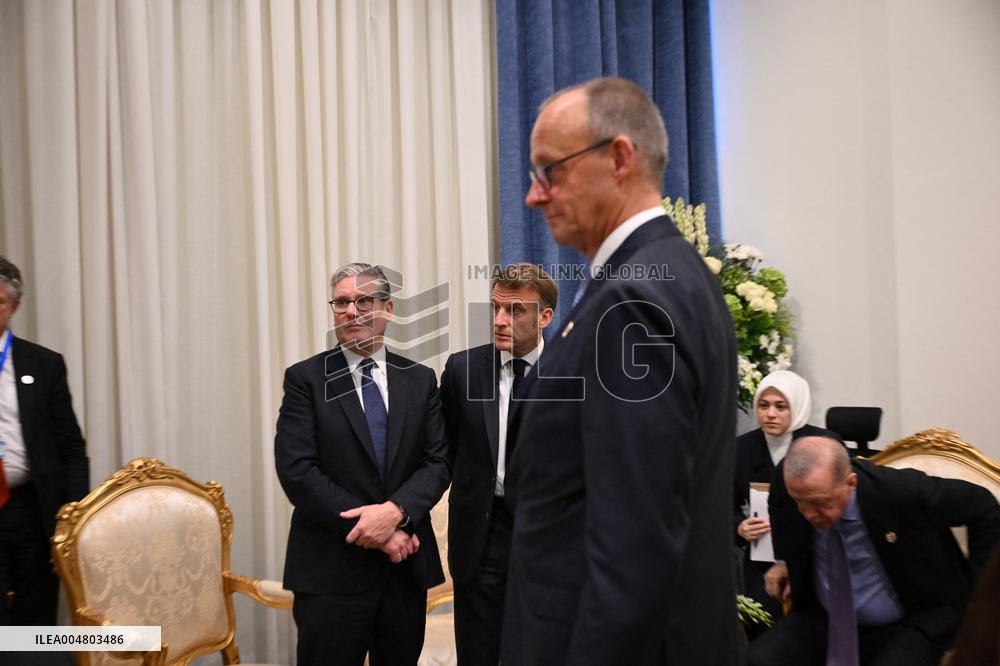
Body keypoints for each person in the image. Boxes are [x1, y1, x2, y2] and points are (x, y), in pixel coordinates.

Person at [501, 77, 739, 665]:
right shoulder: (668, 273)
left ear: (619, 158)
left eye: (549, 171)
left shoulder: (633, 301)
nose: (534, 196)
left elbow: (634, 547)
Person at [274, 262, 450, 666]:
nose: (351, 312)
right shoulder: (306, 379)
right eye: (341, 303)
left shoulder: (420, 379)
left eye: (364, 301)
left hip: (403, 569)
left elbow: (438, 462)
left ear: (387, 308)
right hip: (331, 571)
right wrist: (378, 531)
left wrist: (396, 512)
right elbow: (297, 470)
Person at [750, 436, 1000, 666]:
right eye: (799, 502)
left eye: (820, 503)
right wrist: (782, 560)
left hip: (909, 621)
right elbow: (779, 505)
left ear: (850, 483)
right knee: (758, 660)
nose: (808, 514)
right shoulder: (788, 480)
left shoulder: (900, 492)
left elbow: (984, 507)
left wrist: (979, 596)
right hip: (823, 616)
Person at [440, 263, 556, 665]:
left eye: (515, 310)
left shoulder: (575, 373)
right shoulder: (462, 371)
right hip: (481, 538)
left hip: (548, 540)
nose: (500, 320)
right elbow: (442, 453)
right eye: (495, 308)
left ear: (544, 317)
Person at [0, 255, 89, 627]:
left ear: (14, 306)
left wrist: (70, 524)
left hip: (30, 512)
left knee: (32, 628)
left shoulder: (43, 364)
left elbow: (71, 449)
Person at [734, 370, 842, 629]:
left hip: (817, 556)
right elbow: (722, 505)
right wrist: (739, 526)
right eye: (764, 405)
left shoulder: (825, 443)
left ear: (798, 405)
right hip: (763, 560)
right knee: (764, 633)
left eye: (781, 407)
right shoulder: (741, 448)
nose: (770, 414)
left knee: (815, 629)